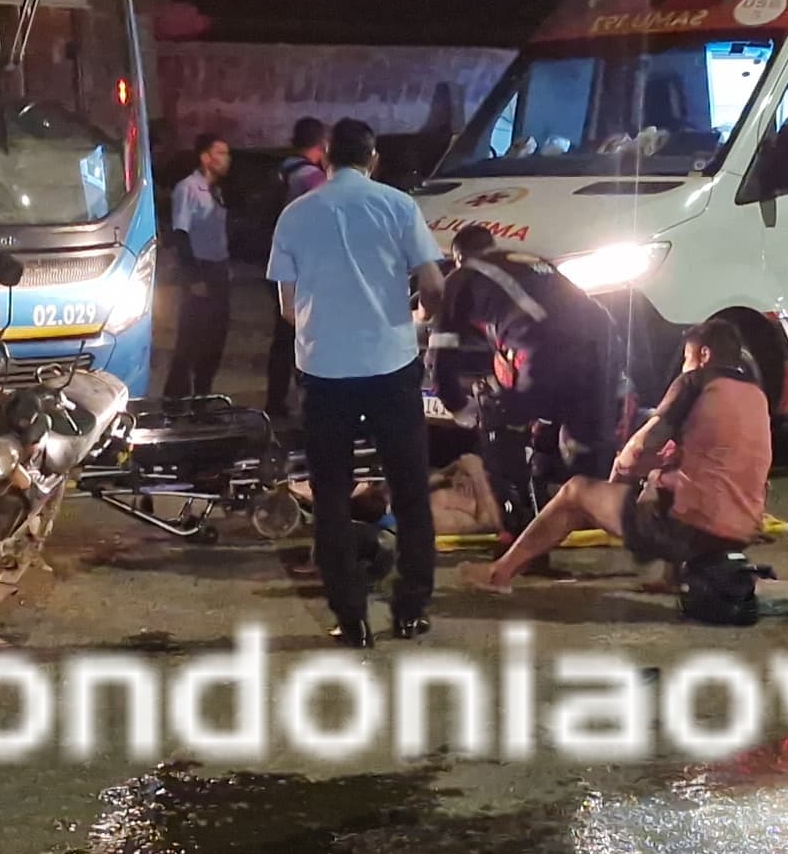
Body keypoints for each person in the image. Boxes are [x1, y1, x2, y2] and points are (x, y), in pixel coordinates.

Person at [265, 117, 447, 646]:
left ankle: (351, 619)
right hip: (391, 365)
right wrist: (418, 316)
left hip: (325, 372)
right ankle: (410, 610)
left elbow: (286, 308)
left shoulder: (295, 215)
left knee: (330, 497)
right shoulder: (398, 206)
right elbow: (434, 285)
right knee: (410, 491)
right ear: (374, 159)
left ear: (325, 159)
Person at [465, 321, 771, 593]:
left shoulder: (694, 383)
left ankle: (499, 573)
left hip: (692, 531)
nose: (683, 367)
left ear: (704, 355)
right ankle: (672, 579)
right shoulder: (755, 394)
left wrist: (619, 476)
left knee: (576, 492)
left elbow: (642, 445)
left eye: (686, 358)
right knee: (673, 481)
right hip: (743, 531)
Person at [434, 223, 622, 528]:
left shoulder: (462, 277)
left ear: (459, 258)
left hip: (545, 345)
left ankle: (517, 526)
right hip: (605, 337)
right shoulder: (530, 259)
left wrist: (458, 406)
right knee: (587, 441)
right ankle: (594, 520)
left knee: (500, 423)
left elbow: (442, 356)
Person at [260, 116, 332, 419]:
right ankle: (309, 400)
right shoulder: (313, 178)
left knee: (283, 337)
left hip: (277, 262)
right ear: (321, 143)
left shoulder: (281, 171)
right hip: (304, 268)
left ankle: (275, 401)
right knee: (307, 335)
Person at [162, 136, 234, 400]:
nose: (227, 159)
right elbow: (181, 233)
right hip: (200, 268)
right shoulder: (188, 188)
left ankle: (203, 398)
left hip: (218, 269)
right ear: (205, 157)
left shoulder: (216, 191)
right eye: (220, 153)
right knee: (191, 340)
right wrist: (193, 277)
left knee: (215, 340)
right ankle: (175, 400)